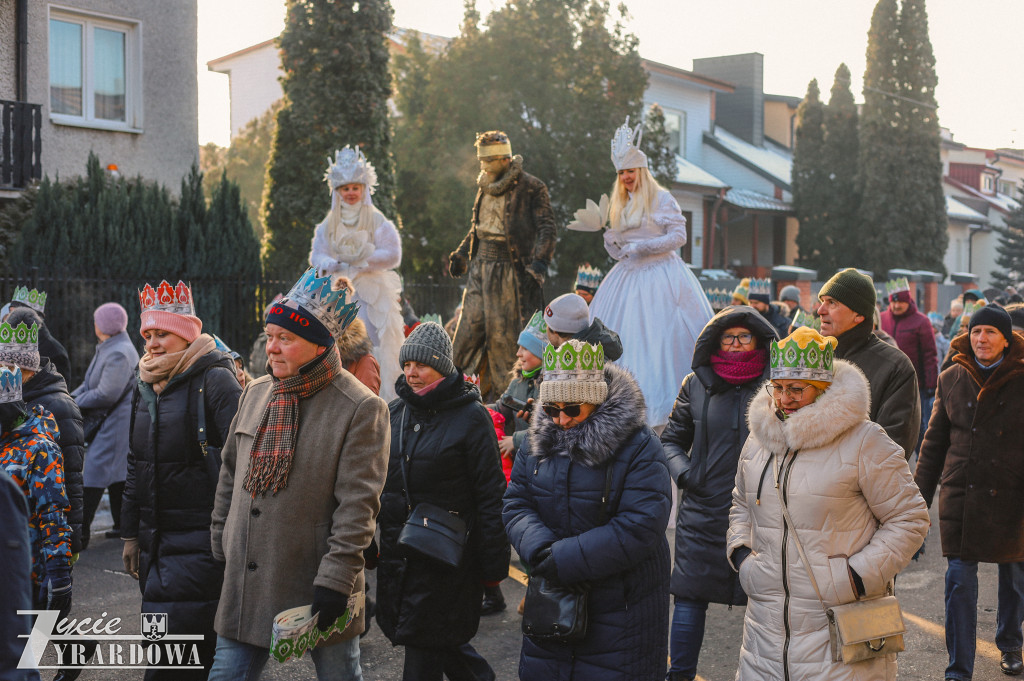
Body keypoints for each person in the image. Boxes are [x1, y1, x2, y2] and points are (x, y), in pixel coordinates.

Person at [209, 268, 387, 681]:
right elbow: (230, 470)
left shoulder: (360, 407)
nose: (271, 348)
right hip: (247, 578)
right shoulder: (256, 392)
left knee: (340, 676)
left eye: (285, 338)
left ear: (319, 344)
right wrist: (222, 535)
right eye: (269, 336)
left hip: (319, 580)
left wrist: (337, 579)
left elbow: (359, 506)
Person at [727, 326, 929, 681]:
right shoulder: (759, 441)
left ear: (823, 391)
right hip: (765, 629)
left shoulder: (865, 441)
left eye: (796, 389)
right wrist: (743, 556)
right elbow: (741, 503)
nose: (783, 399)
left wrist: (854, 577)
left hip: (839, 625)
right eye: (777, 388)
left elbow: (909, 519)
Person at [504, 339, 672, 680]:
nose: (561, 419)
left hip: (620, 608)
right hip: (553, 599)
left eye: (572, 409)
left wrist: (563, 559)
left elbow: (640, 524)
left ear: (595, 401)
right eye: (552, 409)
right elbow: (516, 502)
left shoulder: (639, 445)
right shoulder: (538, 438)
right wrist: (539, 549)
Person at [121, 280, 242, 680]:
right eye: (148, 334)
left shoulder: (217, 381)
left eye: (163, 334)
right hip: (156, 544)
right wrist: (130, 534)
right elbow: (136, 463)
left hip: (201, 545)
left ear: (187, 334)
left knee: (180, 664)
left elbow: (241, 465)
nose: (152, 344)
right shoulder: (143, 384)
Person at [376, 322, 509, 681]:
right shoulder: (395, 413)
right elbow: (382, 487)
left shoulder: (471, 417)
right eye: (406, 365)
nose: (411, 373)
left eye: (420, 365)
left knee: (424, 652)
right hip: (402, 556)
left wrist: (493, 566)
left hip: (447, 563)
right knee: (440, 643)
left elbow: (490, 495)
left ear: (442, 366)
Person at [660, 306, 778, 681]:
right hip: (703, 509)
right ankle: (679, 675)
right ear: (715, 342)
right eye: (729, 338)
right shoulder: (694, 384)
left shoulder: (778, 385)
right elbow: (670, 442)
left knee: (766, 602)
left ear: (760, 340)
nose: (737, 344)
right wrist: (686, 476)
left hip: (763, 509)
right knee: (690, 597)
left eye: (745, 337)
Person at [915, 305, 1024, 680]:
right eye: (977, 332)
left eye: (991, 332)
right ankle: (958, 670)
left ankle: (1010, 644)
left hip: (1013, 494)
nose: (982, 339)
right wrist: (917, 505)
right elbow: (932, 447)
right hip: (963, 493)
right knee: (959, 583)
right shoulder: (952, 377)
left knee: (1014, 575)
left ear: (1006, 340)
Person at [588, 117, 713, 430]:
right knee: (622, 337)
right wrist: (613, 244)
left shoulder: (662, 198)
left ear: (641, 171)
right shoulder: (621, 203)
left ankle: (666, 410)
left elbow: (679, 236)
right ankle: (616, 404)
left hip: (661, 278)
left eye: (630, 171)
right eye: (621, 173)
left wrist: (645, 247)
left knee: (660, 339)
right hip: (627, 280)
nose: (626, 177)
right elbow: (621, 249)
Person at [448, 130, 557, 399]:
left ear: (505, 159)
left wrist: (540, 264)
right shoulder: (484, 185)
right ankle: (446, 395)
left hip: (509, 273)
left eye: (488, 161)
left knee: (503, 346)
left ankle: (501, 411)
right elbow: (477, 229)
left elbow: (547, 227)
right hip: (480, 269)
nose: (482, 166)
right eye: (480, 161)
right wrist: (462, 254)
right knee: (463, 338)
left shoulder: (532, 187)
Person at [310, 146, 404, 401]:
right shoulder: (329, 223)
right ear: (337, 191)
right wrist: (332, 262)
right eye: (345, 188)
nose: (350, 193)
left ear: (363, 188)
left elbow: (393, 253)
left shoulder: (375, 219)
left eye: (355, 187)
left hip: (371, 294)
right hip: (339, 293)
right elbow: (317, 254)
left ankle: (378, 397)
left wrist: (366, 260)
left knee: (374, 343)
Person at [0, 310, 84, 559]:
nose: (2, 372)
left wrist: (71, 542)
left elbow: (72, 475)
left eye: (7, 366)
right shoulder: (10, 399)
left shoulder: (59, 406)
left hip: (44, 532)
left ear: (24, 368)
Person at [816, 268, 920, 459]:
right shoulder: (813, 357)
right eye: (822, 302)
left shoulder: (895, 367)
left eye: (832, 303)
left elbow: (892, 447)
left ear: (859, 315)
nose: (820, 311)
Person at [73, 302, 139, 546]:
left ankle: (80, 533)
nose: (94, 326)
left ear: (104, 326)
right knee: (116, 475)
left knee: (94, 474)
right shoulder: (111, 346)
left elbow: (105, 394)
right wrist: (71, 397)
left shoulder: (118, 352)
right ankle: (122, 525)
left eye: (96, 322)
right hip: (113, 423)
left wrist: (76, 401)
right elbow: (90, 383)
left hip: (114, 425)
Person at [879, 278, 938, 453]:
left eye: (901, 302)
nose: (897, 306)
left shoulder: (921, 322)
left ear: (908, 301)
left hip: (915, 383)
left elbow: (930, 354)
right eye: (894, 302)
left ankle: (920, 455)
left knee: (918, 423)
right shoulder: (882, 318)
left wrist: (930, 384)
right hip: (887, 382)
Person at [0, 468, 40, 681]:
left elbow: (53, 507)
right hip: (23, 554)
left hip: (37, 554)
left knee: (44, 612)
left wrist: (58, 559)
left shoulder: (42, 447)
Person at [7, 287, 71, 380]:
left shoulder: (55, 351)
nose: (9, 318)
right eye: (10, 312)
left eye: (15, 313)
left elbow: (59, 389)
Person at [544, 292, 623, 361]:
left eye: (547, 324)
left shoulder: (571, 367)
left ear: (555, 331)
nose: (545, 329)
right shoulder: (594, 359)